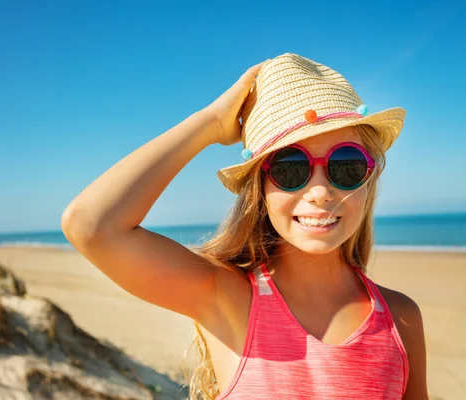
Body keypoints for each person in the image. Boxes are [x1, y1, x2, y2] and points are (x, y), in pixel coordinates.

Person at [61, 53, 428, 399]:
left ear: (369, 179)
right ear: (260, 187)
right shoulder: (229, 298)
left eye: (346, 164)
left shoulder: (401, 319)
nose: (320, 191)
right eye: (290, 168)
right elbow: (92, 226)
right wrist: (210, 123)